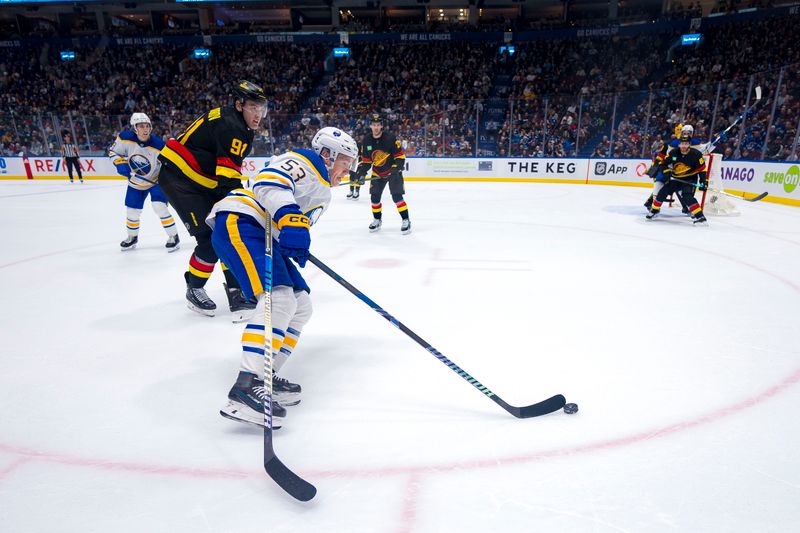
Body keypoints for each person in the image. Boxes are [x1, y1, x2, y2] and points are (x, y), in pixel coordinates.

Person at [207, 126, 358, 427]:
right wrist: (291, 220)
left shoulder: (323, 191)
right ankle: (246, 387)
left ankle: (266, 375)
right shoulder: (305, 161)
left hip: (265, 235)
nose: (348, 171)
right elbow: (269, 182)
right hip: (243, 219)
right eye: (346, 162)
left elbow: (293, 221)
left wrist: (294, 235)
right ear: (327, 155)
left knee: (301, 305)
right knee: (277, 300)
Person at [157, 80, 267, 321]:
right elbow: (228, 180)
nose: (258, 115)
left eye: (262, 109)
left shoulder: (235, 122)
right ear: (239, 105)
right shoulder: (232, 126)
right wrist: (244, 204)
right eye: (253, 108)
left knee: (227, 228)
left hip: (199, 180)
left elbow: (225, 175)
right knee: (208, 239)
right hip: (180, 180)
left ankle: (237, 290)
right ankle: (194, 288)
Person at [109, 113, 180, 252]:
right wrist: (120, 164)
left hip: (155, 182)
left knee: (159, 207)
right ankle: (132, 237)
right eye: (141, 126)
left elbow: (169, 165)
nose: (145, 129)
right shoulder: (125, 138)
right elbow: (113, 152)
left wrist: (165, 179)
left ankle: (174, 236)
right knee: (132, 212)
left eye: (147, 126)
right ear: (135, 128)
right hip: (136, 182)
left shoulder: (159, 145)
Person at [354, 113, 410, 234]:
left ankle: (406, 220)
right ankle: (377, 220)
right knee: (374, 198)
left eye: (378, 125)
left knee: (397, 197)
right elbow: (367, 161)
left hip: (393, 173)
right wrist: (362, 173)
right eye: (374, 125)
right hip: (377, 173)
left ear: (381, 126)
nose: (376, 127)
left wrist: (395, 169)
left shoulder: (390, 138)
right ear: (370, 126)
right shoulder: (367, 140)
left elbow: (400, 157)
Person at [646, 132, 708, 224]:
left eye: (686, 144)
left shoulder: (696, 154)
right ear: (679, 144)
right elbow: (663, 164)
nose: (683, 146)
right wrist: (666, 172)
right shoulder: (673, 153)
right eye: (682, 144)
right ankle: (654, 210)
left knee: (687, 196)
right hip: (675, 178)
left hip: (689, 179)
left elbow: (702, 170)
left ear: (689, 144)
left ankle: (700, 217)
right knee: (662, 192)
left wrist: (704, 182)